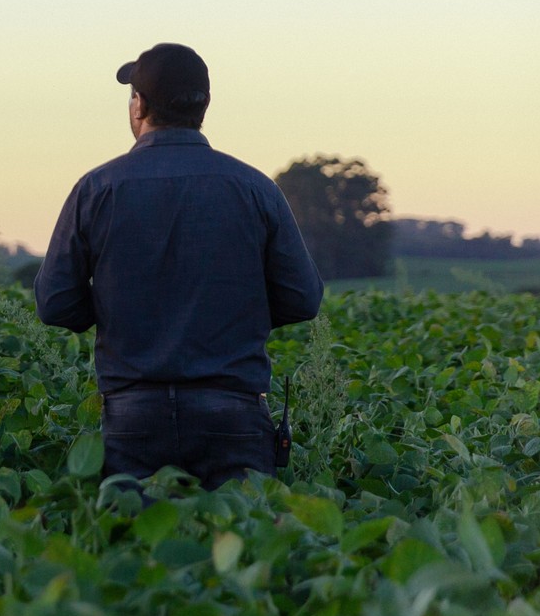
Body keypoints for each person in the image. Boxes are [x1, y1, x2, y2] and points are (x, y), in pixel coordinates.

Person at [33, 43, 323, 491]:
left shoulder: (96, 189)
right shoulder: (254, 188)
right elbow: (303, 299)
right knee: (243, 547)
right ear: (204, 106)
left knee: (138, 549)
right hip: (232, 409)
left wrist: (115, 311)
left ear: (141, 106)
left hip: (133, 412)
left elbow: (54, 304)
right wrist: (236, 310)